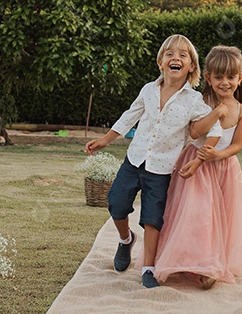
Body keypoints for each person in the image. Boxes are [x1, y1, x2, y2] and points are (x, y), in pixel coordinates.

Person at [85, 34, 225, 288]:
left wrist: (198, 162)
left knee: (152, 218)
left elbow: (214, 131)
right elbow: (130, 116)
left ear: (191, 66)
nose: (176, 58)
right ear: (160, 62)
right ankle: (126, 240)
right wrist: (105, 140)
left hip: (161, 169)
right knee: (116, 203)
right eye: (170, 54)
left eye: (183, 55)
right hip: (134, 160)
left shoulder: (194, 101)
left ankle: (148, 269)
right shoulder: (148, 90)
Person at [154, 45, 242, 289]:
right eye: (218, 77)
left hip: (225, 167)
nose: (225, 82)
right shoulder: (201, 101)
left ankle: (212, 264)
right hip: (196, 165)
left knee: (221, 218)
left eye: (231, 77)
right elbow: (194, 132)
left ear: (240, 78)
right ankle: (191, 260)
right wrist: (216, 113)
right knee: (198, 214)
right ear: (208, 77)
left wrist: (219, 154)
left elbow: (237, 144)